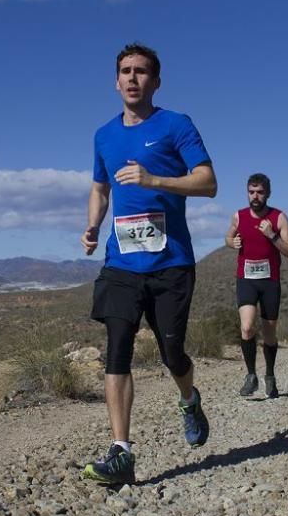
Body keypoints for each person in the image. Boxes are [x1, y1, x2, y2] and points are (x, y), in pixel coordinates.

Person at [80, 43, 217, 485]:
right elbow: (100, 187)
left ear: (156, 81)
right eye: (125, 71)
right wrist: (93, 226)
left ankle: (189, 398)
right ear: (115, 80)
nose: (133, 78)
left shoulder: (176, 125)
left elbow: (208, 182)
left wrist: (154, 178)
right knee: (116, 348)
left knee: (172, 354)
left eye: (141, 71)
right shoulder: (104, 135)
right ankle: (121, 451)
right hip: (121, 262)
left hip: (171, 263)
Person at [225, 173, 288, 399]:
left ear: (268, 193)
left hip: (270, 281)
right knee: (246, 328)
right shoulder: (239, 216)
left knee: (269, 333)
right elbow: (228, 237)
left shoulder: (279, 218)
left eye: (260, 192)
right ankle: (250, 375)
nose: (255, 196)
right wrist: (231, 242)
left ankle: (270, 375)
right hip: (246, 279)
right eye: (251, 192)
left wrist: (272, 235)